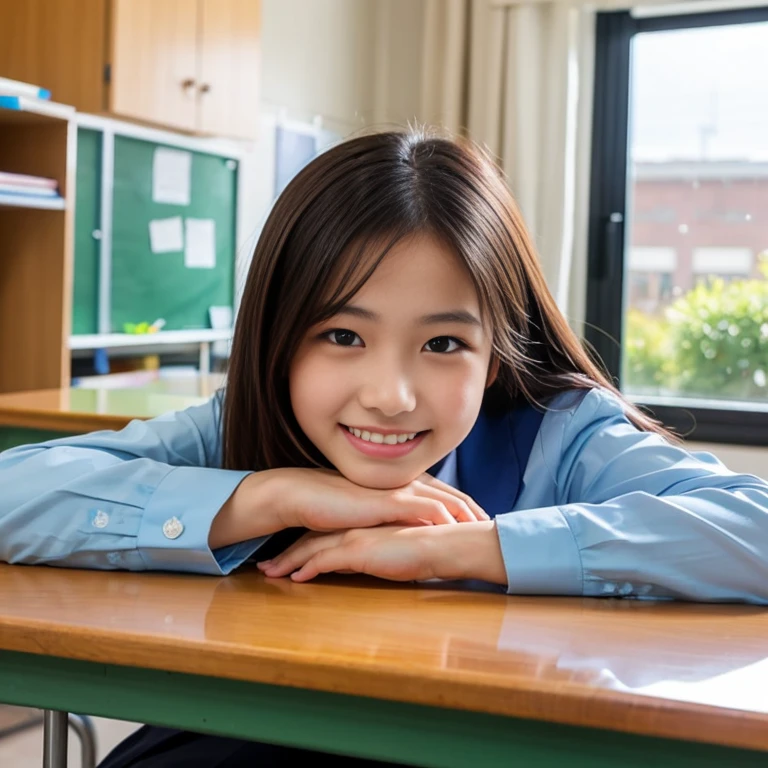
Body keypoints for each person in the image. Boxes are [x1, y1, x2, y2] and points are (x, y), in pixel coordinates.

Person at [1, 130, 767, 766]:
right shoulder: (241, 427)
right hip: (266, 725)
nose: (390, 394)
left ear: (494, 356)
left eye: (442, 343)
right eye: (342, 336)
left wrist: (464, 550)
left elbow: (754, 525)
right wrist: (269, 495)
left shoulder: (559, 432)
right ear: (281, 343)